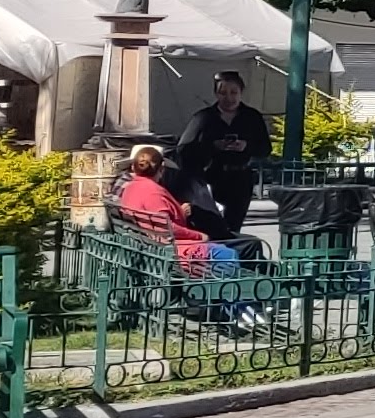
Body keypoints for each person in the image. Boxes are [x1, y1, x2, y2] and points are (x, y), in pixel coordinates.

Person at [176, 71, 273, 242]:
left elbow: (265, 148)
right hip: (211, 177)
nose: (229, 98)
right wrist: (212, 146)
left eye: (233, 92)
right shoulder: (204, 117)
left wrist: (246, 146)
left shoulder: (252, 117)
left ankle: (230, 255)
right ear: (216, 94)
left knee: (233, 226)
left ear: (241, 92)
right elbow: (183, 149)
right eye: (223, 93)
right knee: (211, 225)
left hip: (240, 178)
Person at [110, 146, 223, 274]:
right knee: (226, 253)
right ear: (162, 168)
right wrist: (199, 236)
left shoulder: (130, 188)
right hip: (166, 250)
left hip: (147, 244)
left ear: (133, 167)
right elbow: (167, 227)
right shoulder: (153, 192)